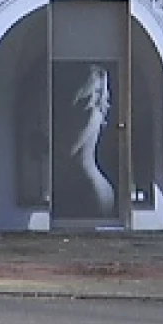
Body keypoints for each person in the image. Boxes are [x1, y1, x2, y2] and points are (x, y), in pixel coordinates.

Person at [60, 64, 116, 217]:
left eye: (98, 91)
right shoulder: (81, 113)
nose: (93, 96)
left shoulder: (92, 115)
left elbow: (70, 150)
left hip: (92, 186)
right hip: (87, 181)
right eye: (92, 90)